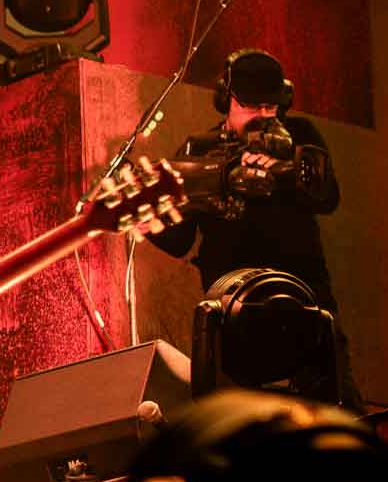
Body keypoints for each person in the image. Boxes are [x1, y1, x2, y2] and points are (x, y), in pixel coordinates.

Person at [144, 47, 360, 408]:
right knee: (231, 421)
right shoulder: (199, 150)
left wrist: (282, 166)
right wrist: (146, 221)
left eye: (270, 107)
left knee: (341, 412)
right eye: (251, 107)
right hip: (233, 311)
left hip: (304, 299)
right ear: (226, 99)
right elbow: (179, 239)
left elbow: (328, 199)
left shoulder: (299, 134)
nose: (262, 116)